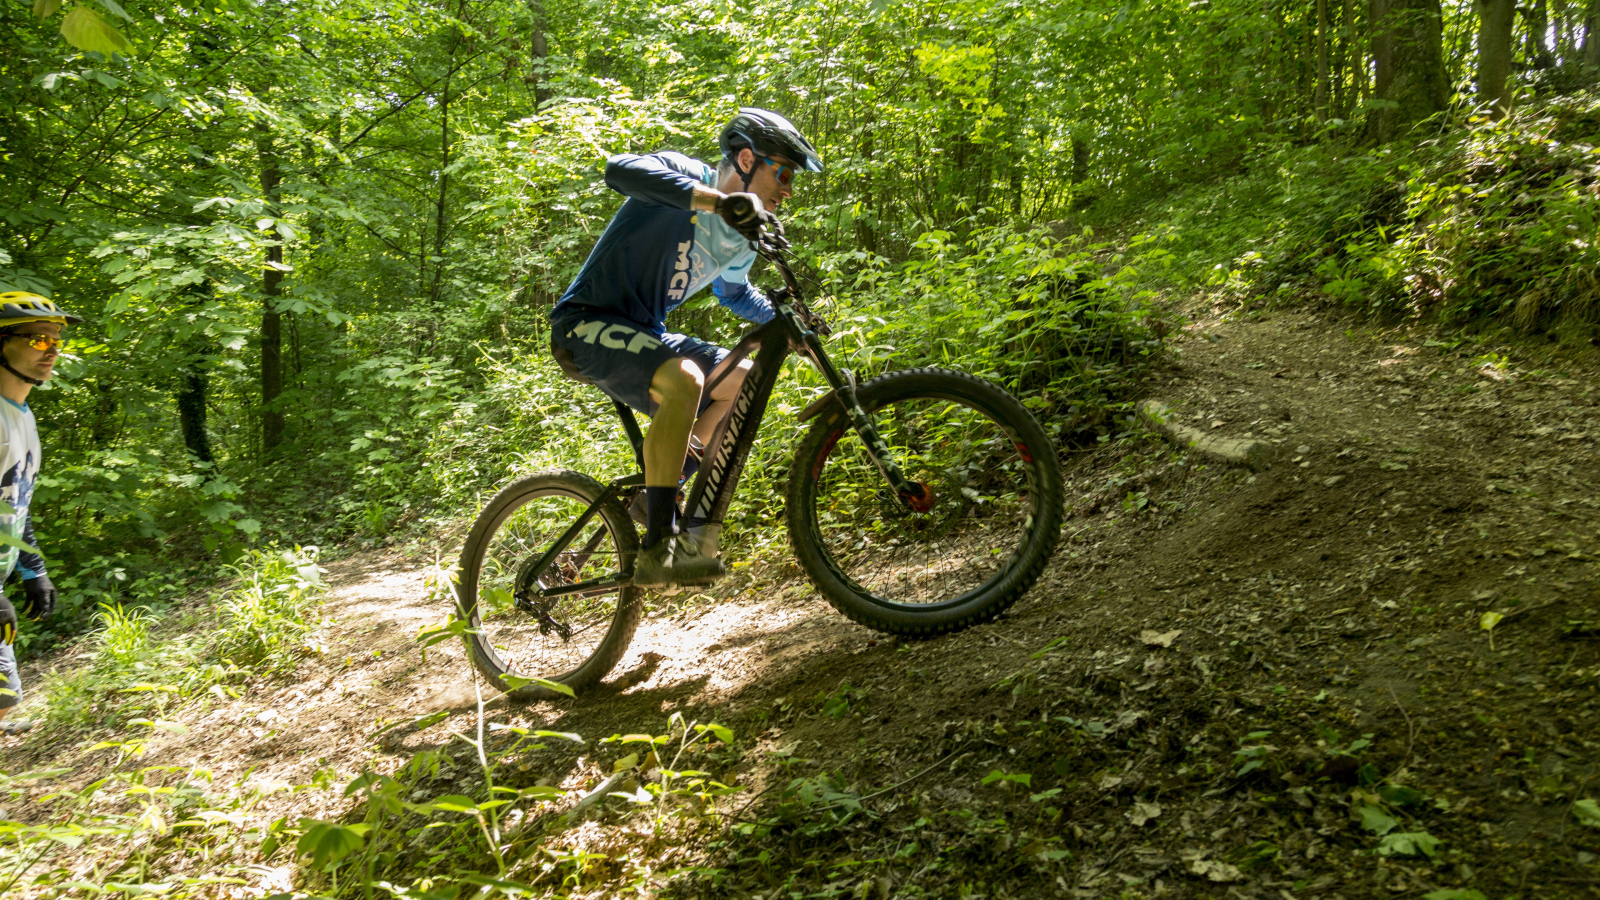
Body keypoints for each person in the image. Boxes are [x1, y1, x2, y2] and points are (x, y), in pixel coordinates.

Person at [549, 108, 822, 586]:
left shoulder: (744, 236)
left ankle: (662, 485)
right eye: (781, 172)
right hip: (584, 323)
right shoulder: (686, 175)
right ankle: (659, 546)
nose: (787, 189)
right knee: (687, 380)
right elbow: (619, 170)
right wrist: (717, 202)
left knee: (741, 381)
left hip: (644, 331)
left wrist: (788, 322)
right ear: (744, 158)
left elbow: (733, 293)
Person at [0, 292, 75, 736]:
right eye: (37, 340)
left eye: (55, 342)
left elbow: (16, 499)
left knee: (5, 697)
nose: (52, 351)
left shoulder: (22, 416)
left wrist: (33, 570)